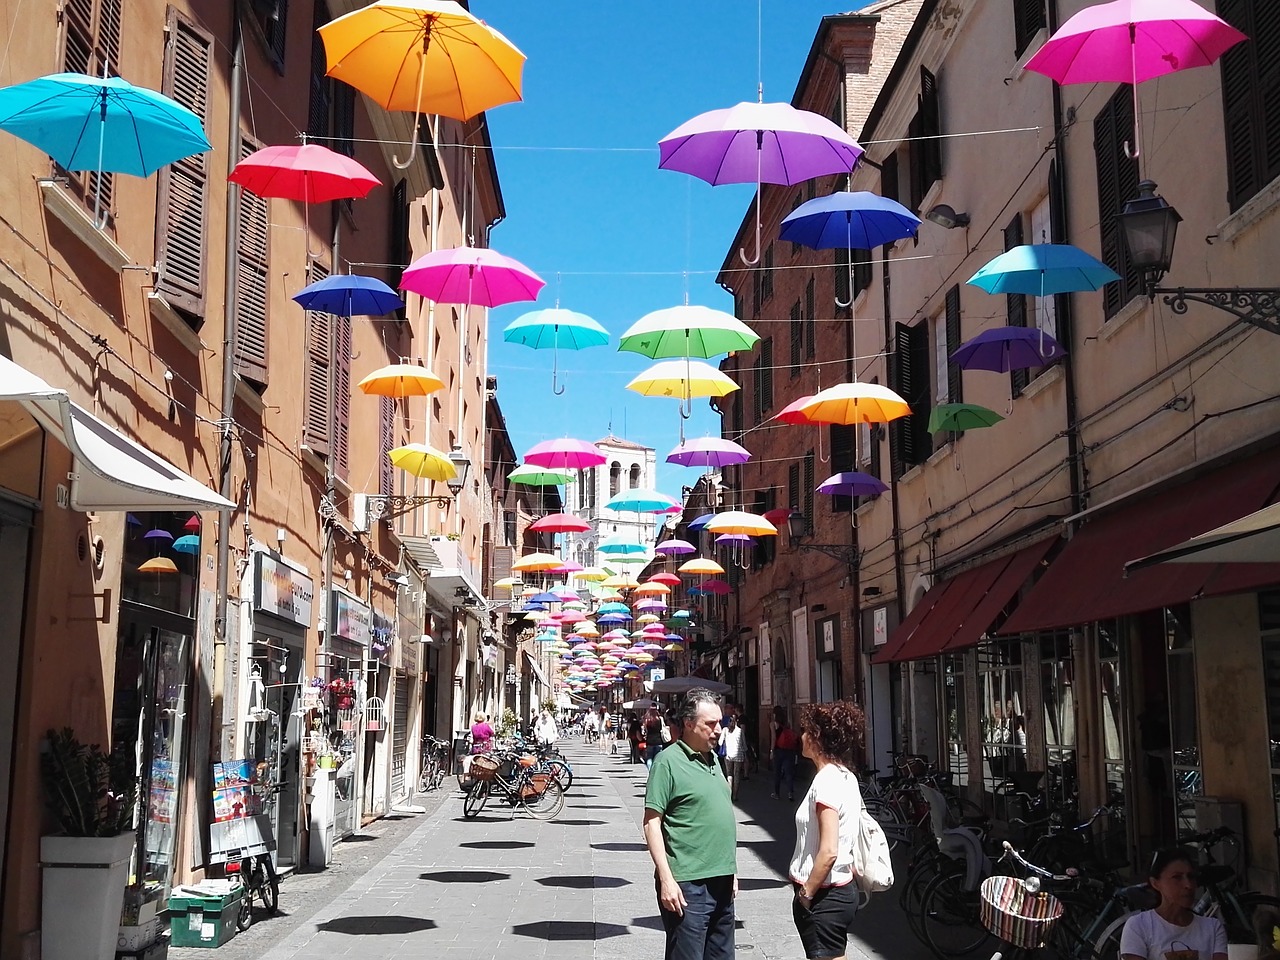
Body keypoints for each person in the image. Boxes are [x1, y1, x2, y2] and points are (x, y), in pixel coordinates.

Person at [643, 688, 737, 960]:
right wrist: (666, 879)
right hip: (687, 884)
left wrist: (732, 870)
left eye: (721, 722)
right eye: (710, 724)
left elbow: (718, 817)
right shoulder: (667, 762)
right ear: (687, 723)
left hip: (721, 880)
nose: (718, 729)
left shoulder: (714, 760)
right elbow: (652, 823)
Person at [789, 701, 867, 960]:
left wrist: (806, 894)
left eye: (806, 731)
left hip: (825, 896)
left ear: (816, 738)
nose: (801, 736)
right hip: (840, 890)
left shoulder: (826, 782)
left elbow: (829, 849)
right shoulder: (846, 776)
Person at [1120, 847, 1227, 960]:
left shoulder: (1212, 927)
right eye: (1177, 877)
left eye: (1191, 877)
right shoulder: (1139, 926)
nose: (1188, 885)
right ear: (1155, 883)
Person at [772, 707, 799, 801]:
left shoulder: (773, 724)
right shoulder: (787, 724)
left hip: (778, 750)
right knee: (789, 773)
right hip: (789, 750)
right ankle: (790, 793)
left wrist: (771, 750)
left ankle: (777, 793)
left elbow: (774, 738)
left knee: (777, 772)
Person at [720, 713, 747, 800]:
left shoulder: (725, 730)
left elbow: (720, 742)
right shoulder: (740, 731)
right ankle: (735, 796)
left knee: (729, 775)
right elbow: (744, 744)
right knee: (737, 774)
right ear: (737, 721)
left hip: (728, 755)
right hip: (738, 755)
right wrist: (745, 753)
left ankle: (729, 794)